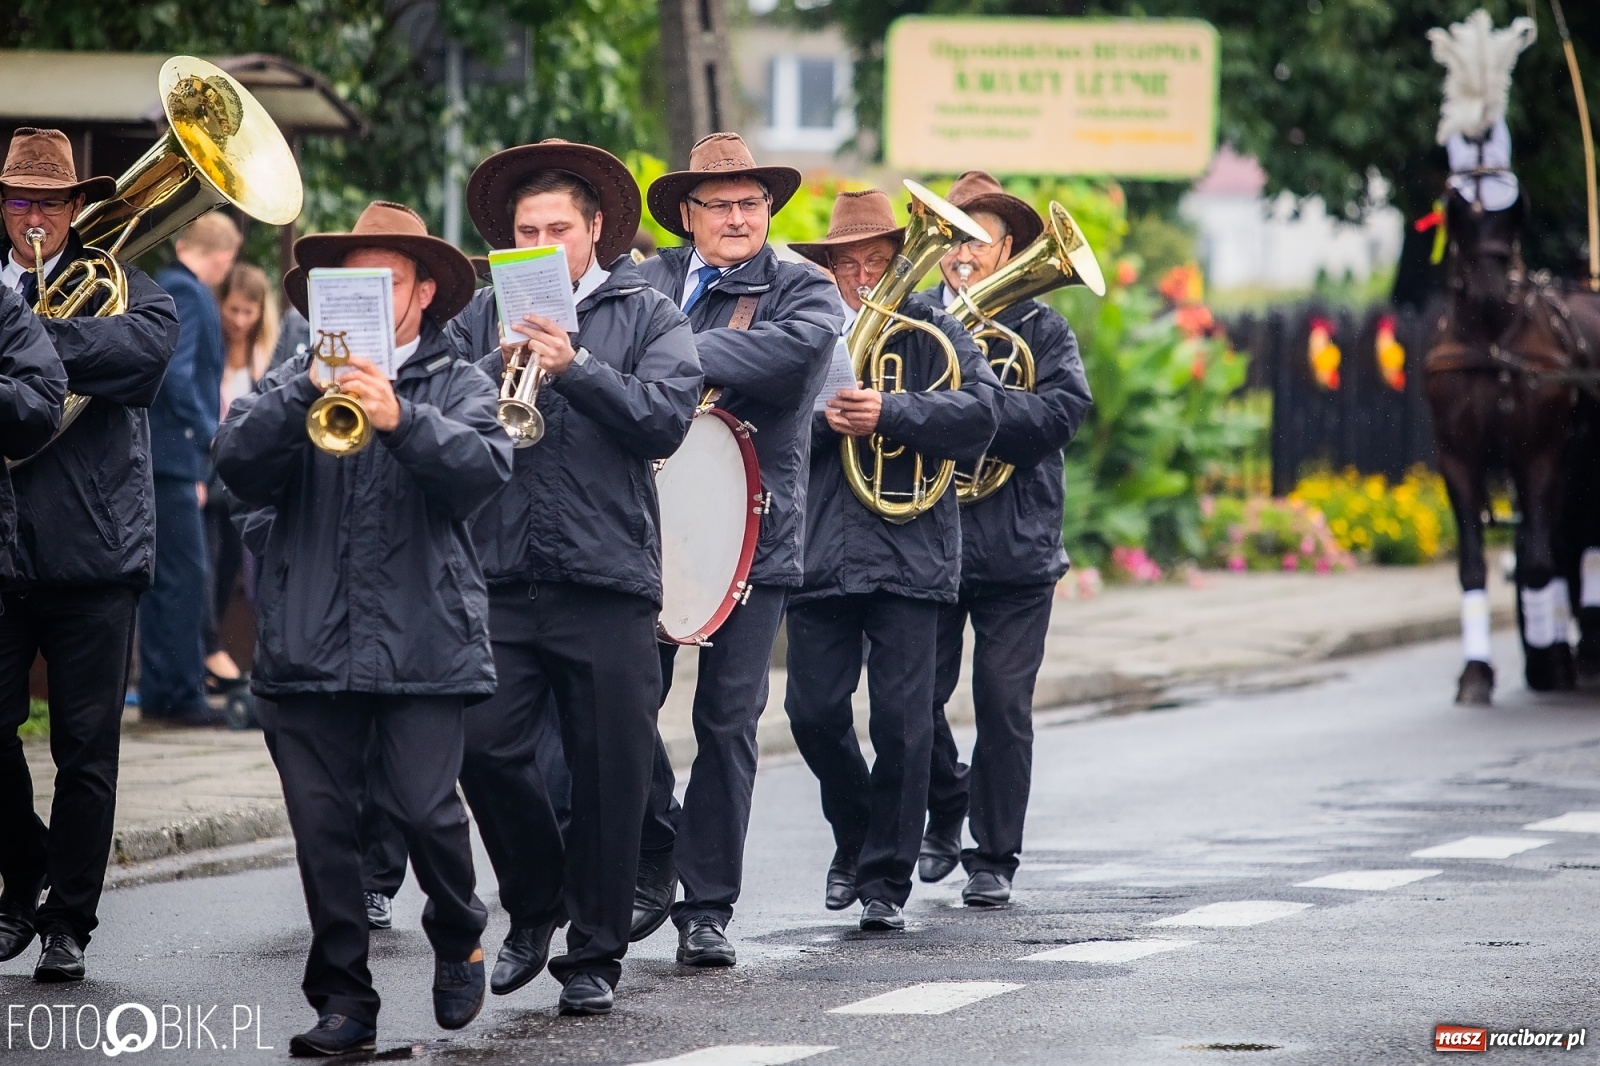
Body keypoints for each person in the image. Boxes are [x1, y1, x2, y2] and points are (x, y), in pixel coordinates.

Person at [214, 201, 512, 1056]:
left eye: (389, 283)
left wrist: (399, 419)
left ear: (423, 291)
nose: (374, 301)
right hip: (307, 643)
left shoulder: (458, 382)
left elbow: (485, 473)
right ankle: (344, 1000)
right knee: (324, 835)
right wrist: (299, 395)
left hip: (425, 641)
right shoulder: (294, 375)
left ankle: (458, 928)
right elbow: (235, 465)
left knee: (425, 811)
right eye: (356, 287)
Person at [447, 139, 700, 1015]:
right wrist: (504, 361)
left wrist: (577, 367)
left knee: (609, 776)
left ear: (596, 231)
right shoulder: (480, 318)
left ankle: (592, 954)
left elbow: (665, 419)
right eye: (527, 230)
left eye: (560, 228)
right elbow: (441, 407)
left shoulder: (649, 313)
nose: (544, 243)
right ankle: (532, 902)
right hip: (501, 572)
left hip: (608, 578)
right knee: (481, 747)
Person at [626, 132, 844, 966]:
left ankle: (707, 906)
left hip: (756, 536)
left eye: (751, 203)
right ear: (686, 215)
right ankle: (657, 841)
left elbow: (790, 361)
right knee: (621, 705)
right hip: (642, 532)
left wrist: (662, 353)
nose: (738, 217)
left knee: (726, 722)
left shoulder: (805, 287)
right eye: (718, 204)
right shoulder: (642, 281)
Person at [784, 187, 1000, 931]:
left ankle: (883, 882)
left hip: (911, 554)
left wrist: (893, 412)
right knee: (810, 714)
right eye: (853, 264)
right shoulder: (808, 333)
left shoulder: (933, 326)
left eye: (880, 261)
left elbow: (984, 414)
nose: (867, 276)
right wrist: (821, 419)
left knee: (905, 727)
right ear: (832, 270)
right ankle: (856, 834)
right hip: (818, 555)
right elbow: (765, 435)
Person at [0, 128, 180, 983]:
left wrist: (25, 339)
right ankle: (24, 868)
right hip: (3, 549)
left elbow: (142, 362)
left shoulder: (130, 289)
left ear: (77, 209)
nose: (33, 217)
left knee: (85, 750)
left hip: (97, 554)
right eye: (19, 201)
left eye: (49, 202)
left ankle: (68, 919)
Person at [918, 171, 1093, 906]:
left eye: (978, 239)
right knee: (914, 697)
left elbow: (1061, 415)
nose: (962, 253)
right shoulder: (916, 318)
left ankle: (993, 856)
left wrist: (975, 406)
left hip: (1016, 548)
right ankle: (946, 797)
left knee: (1000, 700)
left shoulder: (1043, 327)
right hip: (930, 536)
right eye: (952, 238)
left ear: (1011, 247)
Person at [143, 212, 241, 724]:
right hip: (177, 455)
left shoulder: (161, 285)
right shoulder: (194, 295)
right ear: (223, 257)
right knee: (186, 577)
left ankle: (162, 690)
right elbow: (179, 376)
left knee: (162, 577)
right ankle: (181, 694)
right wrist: (210, 436)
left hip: (158, 454)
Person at [203, 261, 278, 692]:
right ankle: (209, 651)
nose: (240, 321)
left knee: (234, 562)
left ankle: (222, 656)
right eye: (233, 310)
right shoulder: (211, 349)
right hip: (207, 471)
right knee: (207, 563)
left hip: (239, 478)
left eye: (249, 312)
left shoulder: (264, 358)